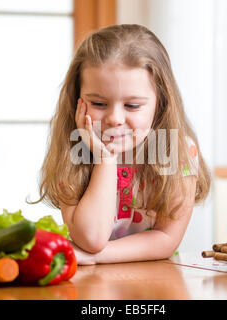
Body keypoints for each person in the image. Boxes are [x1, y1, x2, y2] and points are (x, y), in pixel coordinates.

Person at [35, 24, 211, 265]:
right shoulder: (76, 148)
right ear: (77, 101)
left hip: (154, 282)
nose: (115, 119)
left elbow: (166, 239)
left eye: (132, 106)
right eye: (98, 103)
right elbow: (92, 238)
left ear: (160, 103)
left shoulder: (176, 150)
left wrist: (95, 257)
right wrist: (105, 159)